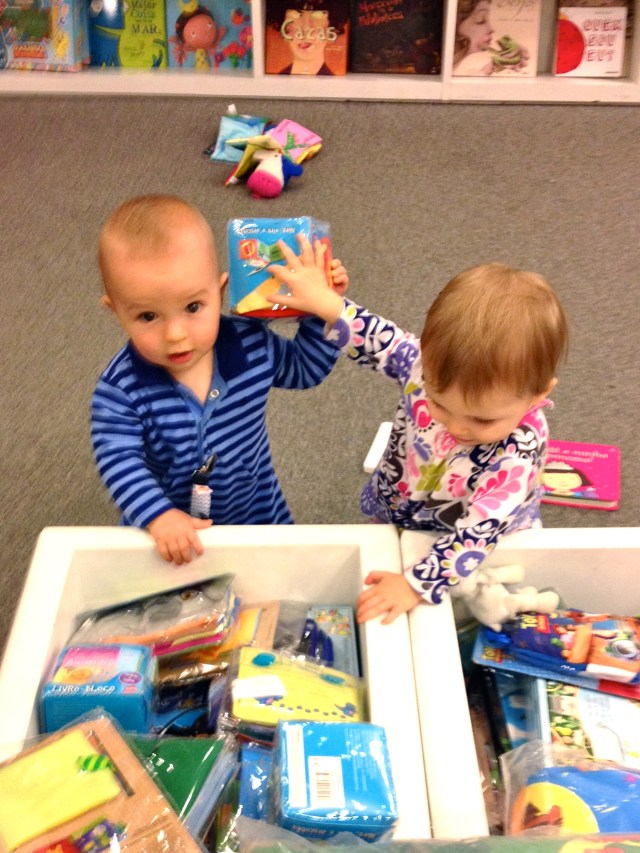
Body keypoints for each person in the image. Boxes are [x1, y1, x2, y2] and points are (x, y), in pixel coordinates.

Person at [267, 248, 569, 625]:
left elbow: (477, 534)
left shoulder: (519, 448)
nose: (457, 428)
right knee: (382, 549)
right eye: (440, 405)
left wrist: (415, 586)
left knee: (480, 604)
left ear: (538, 395)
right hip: (405, 497)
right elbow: (379, 339)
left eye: (481, 419)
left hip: (480, 536)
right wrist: (329, 304)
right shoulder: (422, 367)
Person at [92, 194, 347, 565]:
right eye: (148, 316)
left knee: (275, 582)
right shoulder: (121, 389)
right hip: (172, 524)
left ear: (220, 290)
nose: (176, 334)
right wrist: (158, 516)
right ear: (115, 312)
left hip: (256, 511)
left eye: (193, 307)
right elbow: (118, 459)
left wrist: (323, 311)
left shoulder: (250, 344)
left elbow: (305, 370)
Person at [265, 0, 348, 76]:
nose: (306, 27)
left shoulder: (334, 83)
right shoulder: (278, 78)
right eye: (296, 14)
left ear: (331, 23)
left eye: (317, 15)